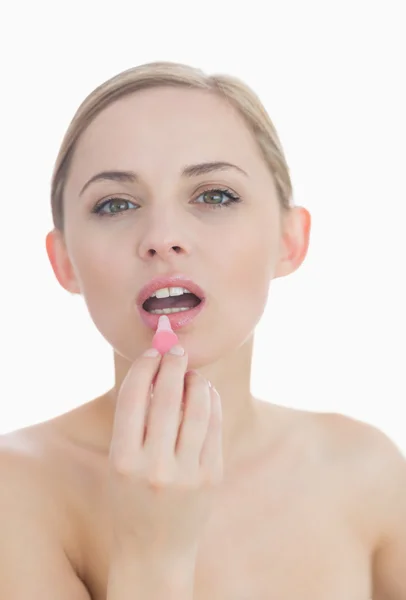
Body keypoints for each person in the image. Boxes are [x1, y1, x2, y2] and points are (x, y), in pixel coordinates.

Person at [0, 61, 405, 600]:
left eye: (215, 195)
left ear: (290, 240)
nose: (162, 237)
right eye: (116, 204)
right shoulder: (16, 493)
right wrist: (152, 555)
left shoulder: (367, 469)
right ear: (65, 262)